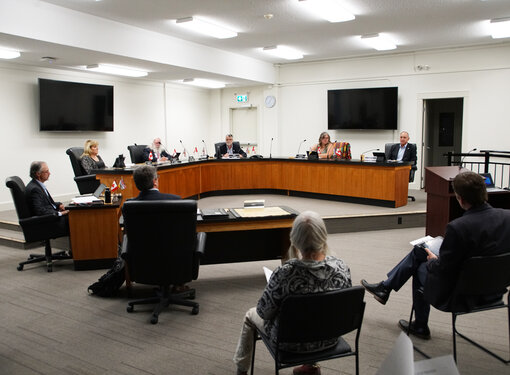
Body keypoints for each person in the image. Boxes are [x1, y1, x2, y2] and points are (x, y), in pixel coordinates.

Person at [361, 171, 510, 339]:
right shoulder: (507, 217)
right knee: (420, 249)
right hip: (495, 289)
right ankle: (385, 287)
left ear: (459, 198)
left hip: (462, 293)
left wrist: (433, 261)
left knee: (420, 266)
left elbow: (442, 269)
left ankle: (419, 324)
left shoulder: (458, 227)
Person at [233, 211, 352, 375]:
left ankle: (241, 370)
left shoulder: (285, 274)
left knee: (250, 315)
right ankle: (310, 368)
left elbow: (263, 312)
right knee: (318, 310)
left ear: (294, 239)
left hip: (289, 342)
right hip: (329, 338)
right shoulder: (342, 268)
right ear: (323, 236)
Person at [25, 161, 69, 235]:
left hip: (51, 215)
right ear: (38, 174)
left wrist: (58, 205)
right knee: (75, 218)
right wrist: (60, 213)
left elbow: (47, 203)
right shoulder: (35, 189)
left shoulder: (37, 185)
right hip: (49, 221)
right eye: (47, 171)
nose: (49, 173)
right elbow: (40, 211)